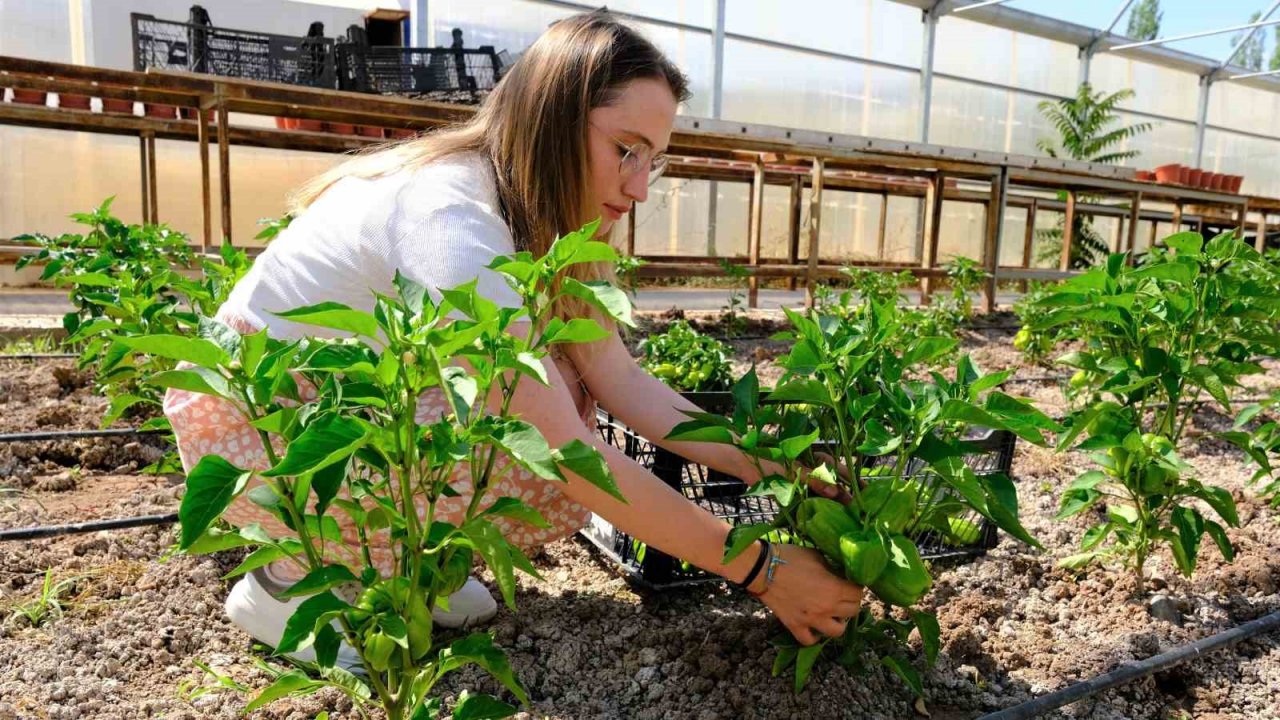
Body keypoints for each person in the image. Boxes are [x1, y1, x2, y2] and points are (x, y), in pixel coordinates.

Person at [163, 11, 862, 667]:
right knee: (538, 417)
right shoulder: (450, 218)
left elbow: (622, 381)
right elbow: (564, 451)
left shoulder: (538, 217)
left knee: (566, 380)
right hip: (263, 414)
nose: (641, 187)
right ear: (553, 122)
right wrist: (760, 569)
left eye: (655, 160)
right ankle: (290, 584)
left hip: (349, 400)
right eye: (626, 150)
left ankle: (405, 565)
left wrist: (772, 465)